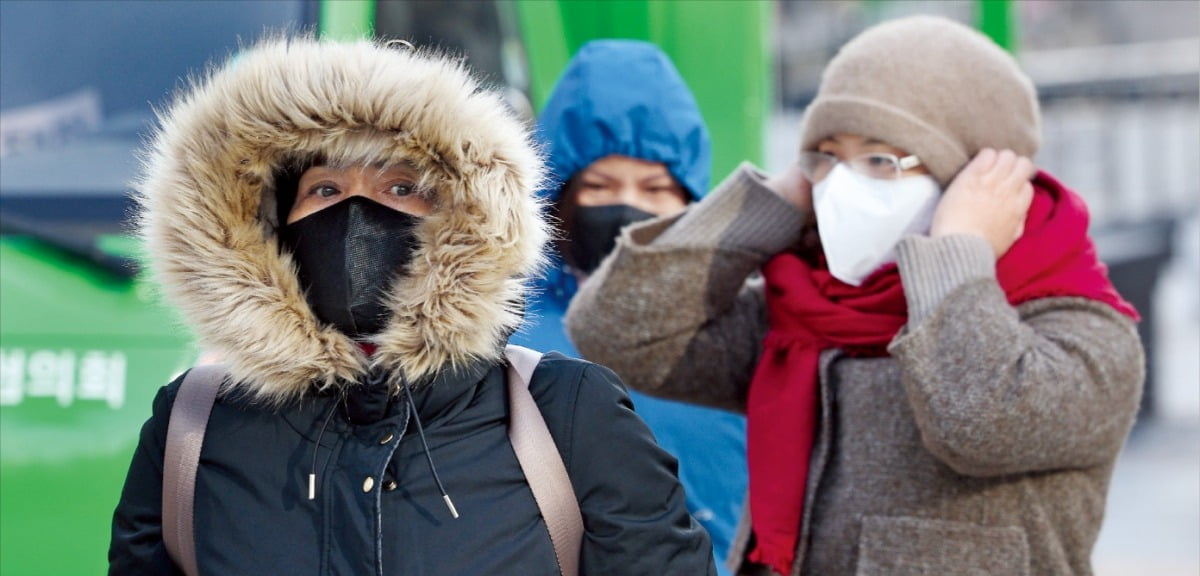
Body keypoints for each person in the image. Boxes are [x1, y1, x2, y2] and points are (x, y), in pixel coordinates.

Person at [108, 36, 716, 575]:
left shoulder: (569, 414)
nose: (357, 215)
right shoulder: (193, 423)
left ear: (461, 216)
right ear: (269, 224)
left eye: (401, 187)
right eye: (325, 188)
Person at [566, 15, 1143, 576]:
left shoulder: (1085, 339)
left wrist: (959, 250)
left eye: (879, 159)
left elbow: (976, 421)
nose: (842, 185)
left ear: (972, 175)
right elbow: (615, 332)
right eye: (827, 156)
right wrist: (771, 206)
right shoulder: (802, 317)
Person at [507, 39, 747, 573]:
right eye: (601, 185)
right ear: (557, 194)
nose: (629, 205)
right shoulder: (505, 326)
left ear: (690, 200)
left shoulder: (735, 329)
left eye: (655, 186)